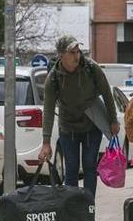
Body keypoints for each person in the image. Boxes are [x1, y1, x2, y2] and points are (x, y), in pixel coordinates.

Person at [37, 35, 120, 198]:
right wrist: (46, 142)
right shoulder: (53, 78)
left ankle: (88, 209)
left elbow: (107, 94)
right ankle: (73, 210)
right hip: (68, 128)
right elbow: (47, 110)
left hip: (91, 125)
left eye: (78, 52)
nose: (77, 56)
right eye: (72, 53)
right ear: (61, 55)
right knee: (71, 168)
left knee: (89, 165)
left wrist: (113, 120)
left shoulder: (91, 68)